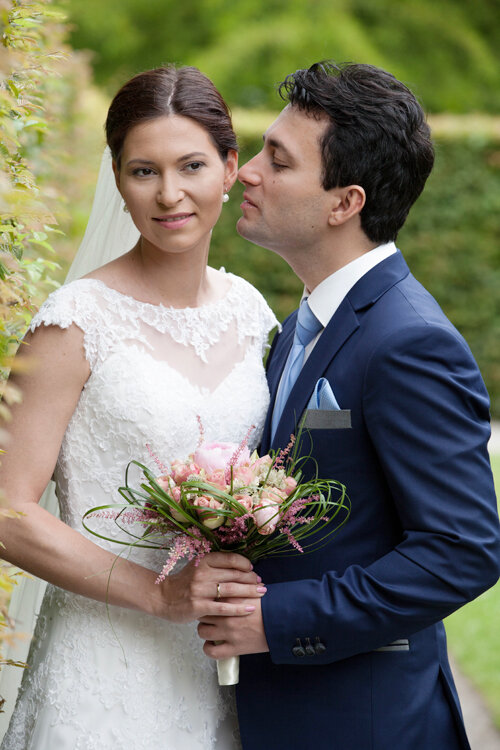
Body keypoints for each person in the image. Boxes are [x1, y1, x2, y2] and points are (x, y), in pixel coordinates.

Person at [197, 61, 500, 749]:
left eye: (278, 160)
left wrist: (277, 618)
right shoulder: (301, 323)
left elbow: (462, 550)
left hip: (363, 722)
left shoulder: (410, 341)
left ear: (344, 202)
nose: (245, 172)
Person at [0, 65, 277, 749]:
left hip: (221, 672)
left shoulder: (252, 313)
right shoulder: (74, 323)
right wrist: (156, 594)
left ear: (229, 168)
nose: (170, 194)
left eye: (190, 165)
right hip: (102, 668)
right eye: (143, 171)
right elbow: (7, 510)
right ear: (117, 180)